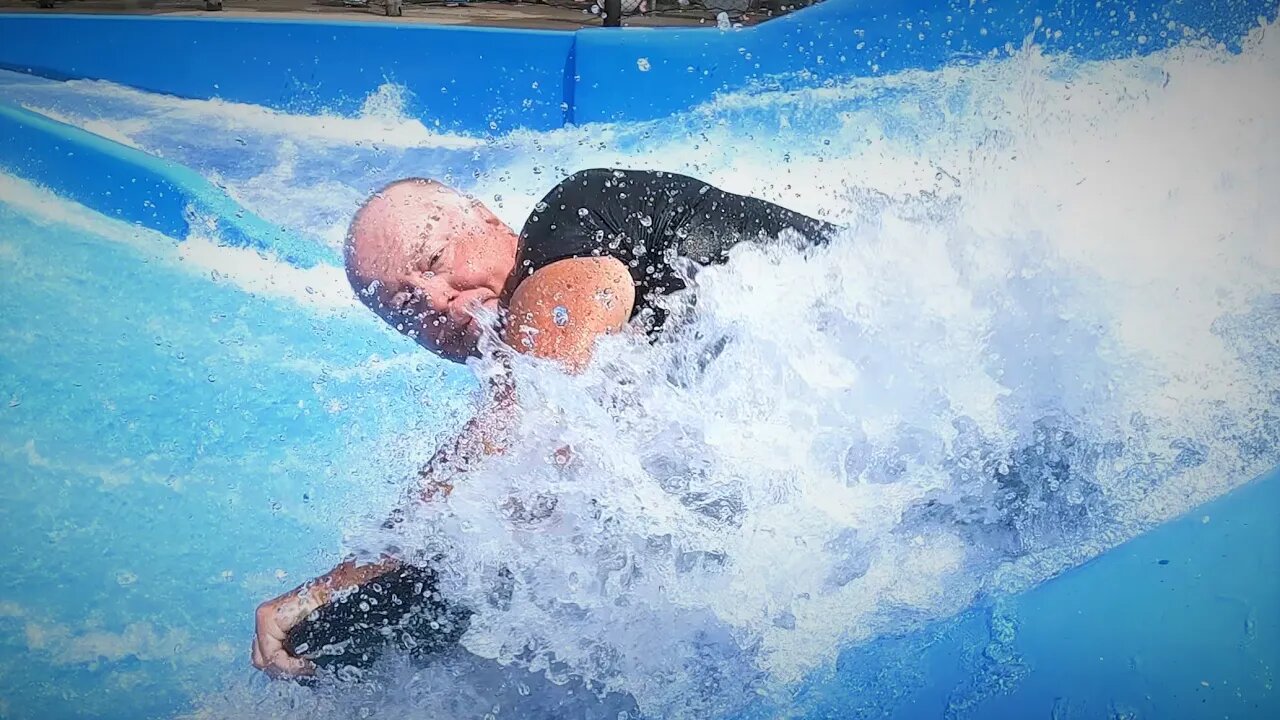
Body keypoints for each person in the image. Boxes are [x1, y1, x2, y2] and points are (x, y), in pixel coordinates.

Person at [251, 168, 839, 678]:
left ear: (486, 218)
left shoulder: (569, 222)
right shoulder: (564, 373)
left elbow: (534, 412)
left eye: (432, 261)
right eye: (406, 306)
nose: (433, 299)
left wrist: (333, 586)